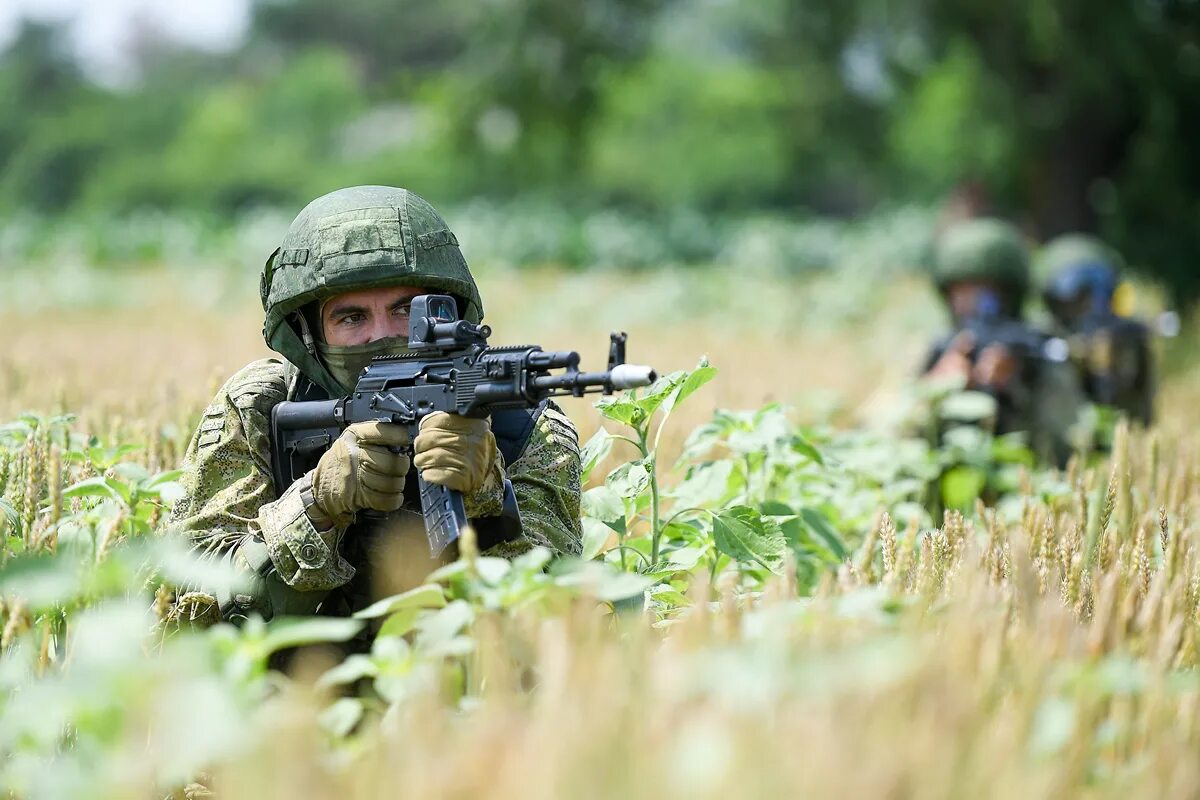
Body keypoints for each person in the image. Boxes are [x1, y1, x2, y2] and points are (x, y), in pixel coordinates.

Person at [165, 186, 583, 627]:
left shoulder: (525, 425)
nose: (381, 336)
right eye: (351, 318)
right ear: (310, 336)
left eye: (407, 310)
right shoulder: (259, 408)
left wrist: (488, 494)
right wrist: (314, 506)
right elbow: (186, 612)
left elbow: (552, 621)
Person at [921, 218, 1086, 466]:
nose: (976, 305)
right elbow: (881, 440)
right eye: (964, 292)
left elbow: (1071, 449)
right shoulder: (939, 351)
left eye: (989, 292)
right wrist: (932, 395)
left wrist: (1018, 392)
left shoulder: (1038, 359)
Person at [1037, 234, 1155, 425]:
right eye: (1080, 296)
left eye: (1099, 291)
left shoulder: (1127, 339)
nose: (1092, 305)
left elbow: (1141, 410)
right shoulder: (1044, 339)